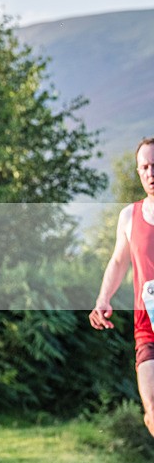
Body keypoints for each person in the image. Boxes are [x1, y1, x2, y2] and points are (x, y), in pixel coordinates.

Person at [89, 137, 154, 438]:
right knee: (151, 410)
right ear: (138, 171)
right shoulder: (129, 216)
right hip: (147, 325)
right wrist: (103, 298)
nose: (151, 173)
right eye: (145, 167)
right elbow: (118, 261)